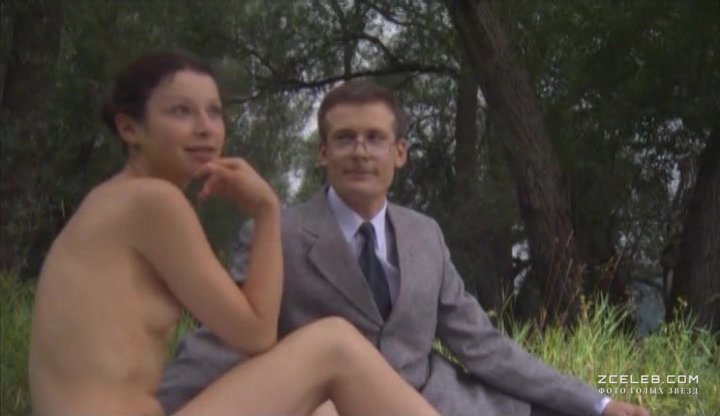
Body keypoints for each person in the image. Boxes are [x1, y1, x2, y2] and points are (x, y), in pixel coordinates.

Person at [158, 79, 650, 416]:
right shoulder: (278, 234)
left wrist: (600, 403)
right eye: (345, 138)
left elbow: (481, 345)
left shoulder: (424, 235)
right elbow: (226, 338)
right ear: (323, 153)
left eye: (375, 138)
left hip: (438, 403)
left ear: (400, 153)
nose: (360, 152)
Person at [27, 52, 438, 416]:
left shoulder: (114, 200)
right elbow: (255, 334)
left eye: (214, 112)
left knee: (323, 410)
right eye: (182, 112)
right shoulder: (152, 201)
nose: (205, 128)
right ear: (130, 128)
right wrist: (266, 211)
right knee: (335, 344)